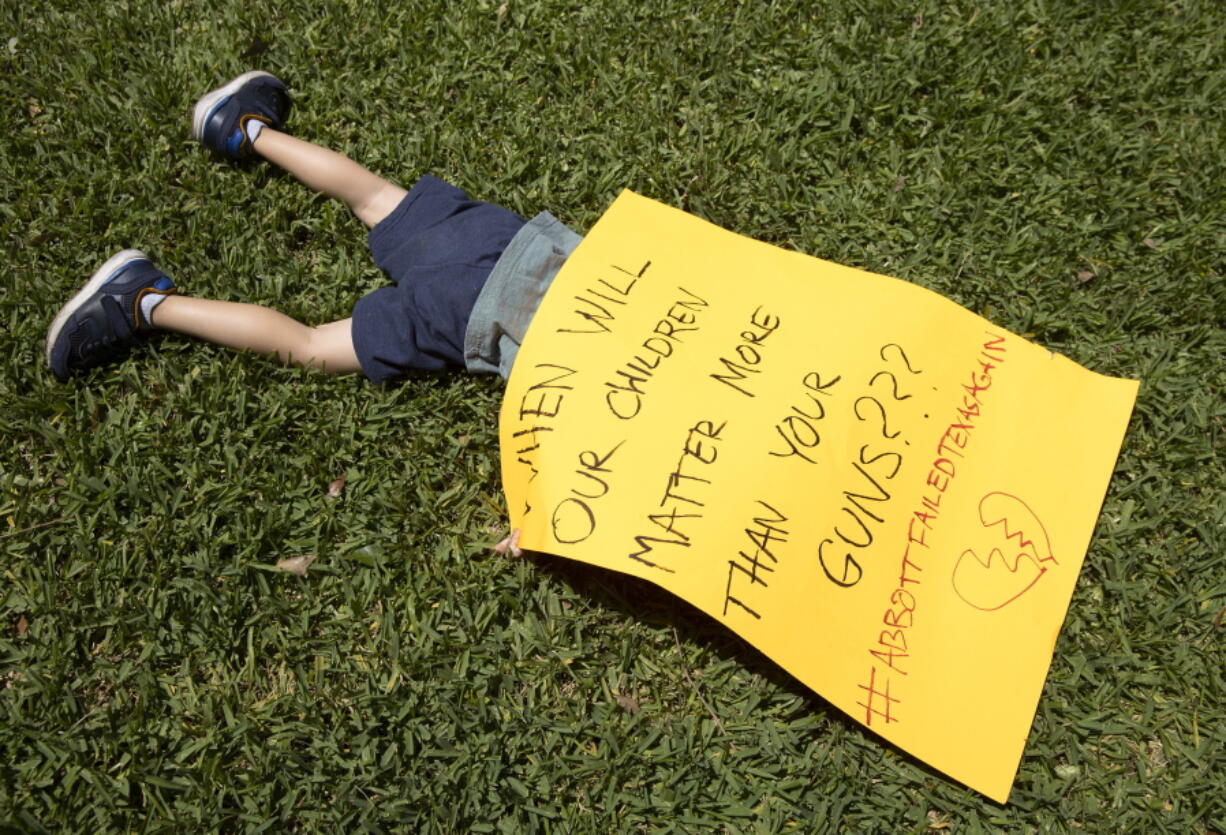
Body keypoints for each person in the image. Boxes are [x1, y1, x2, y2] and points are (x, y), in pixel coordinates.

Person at [44, 71, 564, 554]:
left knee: (375, 194)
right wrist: (536, 518)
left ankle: (243, 126)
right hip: (467, 318)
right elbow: (575, 442)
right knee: (312, 345)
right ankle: (141, 303)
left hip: (513, 247)